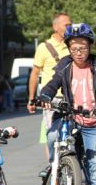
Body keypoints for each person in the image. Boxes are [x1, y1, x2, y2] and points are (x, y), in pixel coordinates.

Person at [38, 23, 96, 185]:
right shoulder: (65, 66)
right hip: (70, 118)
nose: (78, 53)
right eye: (74, 49)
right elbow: (52, 84)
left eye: (83, 48)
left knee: (95, 170)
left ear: (90, 47)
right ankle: (55, 164)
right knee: (51, 136)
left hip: (92, 123)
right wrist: (46, 95)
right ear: (69, 49)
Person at [27, 12, 71, 171]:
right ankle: (54, 168)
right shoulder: (44, 47)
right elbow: (34, 74)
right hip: (50, 99)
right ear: (55, 26)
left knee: (73, 134)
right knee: (51, 134)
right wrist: (31, 99)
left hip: (71, 97)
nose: (69, 27)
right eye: (66, 25)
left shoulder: (72, 44)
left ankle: (71, 167)